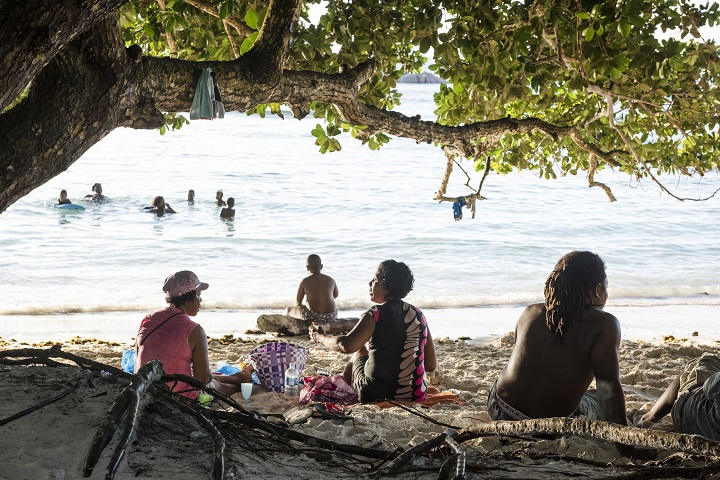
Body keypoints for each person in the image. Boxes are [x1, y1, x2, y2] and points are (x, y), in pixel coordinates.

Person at [487, 251, 627, 424]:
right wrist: (626, 446)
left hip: (500, 408)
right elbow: (608, 389)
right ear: (598, 290)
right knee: (596, 401)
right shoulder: (605, 325)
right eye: (606, 287)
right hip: (549, 426)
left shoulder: (530, 312)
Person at [309, 260, 437, 403]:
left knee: (359, 351)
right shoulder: (419, 315)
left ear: (386, 285)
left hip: (375, 394)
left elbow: (345, 345)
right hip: (416, 395)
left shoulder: (376, 313)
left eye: (374, 280)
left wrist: (320, 337)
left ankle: (346, 386)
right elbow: (431, 365)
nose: (370, 284)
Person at [135, 271, 251, 399]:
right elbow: (203, 380)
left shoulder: (148, 320)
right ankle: (239, 383)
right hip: (180, 397)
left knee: (207, 377)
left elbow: (138, 360)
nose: (201, 301)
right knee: (214, 385)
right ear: (189, 298)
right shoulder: (194, 331)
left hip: (144, 391)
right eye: (199, 295)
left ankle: (236, 378)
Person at [633, 353, 720, 440]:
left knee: (706, 361)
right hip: (712, 433)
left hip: (687, 417)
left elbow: (708, 386)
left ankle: (649, 417)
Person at [287, 254, 338, 323]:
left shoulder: (305, 281)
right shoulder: (331, 280)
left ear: (307, 267)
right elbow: (335, 295)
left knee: (288, 310)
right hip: (332, 316)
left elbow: (298, 302)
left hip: (314, 317)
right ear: (322, 266)